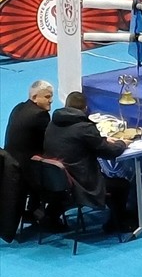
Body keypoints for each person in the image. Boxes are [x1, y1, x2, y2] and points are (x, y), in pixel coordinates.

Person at [42, 91, 131, 233]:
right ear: (85, 109)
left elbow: (77, 142)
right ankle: (116, 223)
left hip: (58, 181)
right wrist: (122, 143)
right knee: (122, 185)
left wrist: (101, 139)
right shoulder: (85, 128)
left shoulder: (53, 123)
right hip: (82, 184)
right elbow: (108, 152)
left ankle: (50, 216)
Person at [3, 80, 58, 230]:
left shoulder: (18, 108)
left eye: (51, 96)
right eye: (47, 97)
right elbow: (50, 142)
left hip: (10, 165)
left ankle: (33, 210)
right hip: (27, 171)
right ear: (35, 97)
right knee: (61, 184)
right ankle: (47, 218)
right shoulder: (41, 115)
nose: (51, 100)